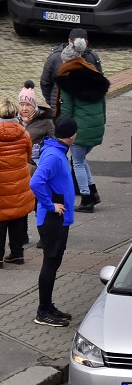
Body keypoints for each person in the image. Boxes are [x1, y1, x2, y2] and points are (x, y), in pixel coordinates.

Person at [29, 116, 78, 326]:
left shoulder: (57, 151)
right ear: (71, 135)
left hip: (58, 218)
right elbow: (36, 182)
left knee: (54, 262)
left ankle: (48, 306)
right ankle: (42, 311)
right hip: (52, 219)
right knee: (50, 263)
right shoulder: (54, 156)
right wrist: (50, 205)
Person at [55, 43, 110, 213]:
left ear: (66, 61)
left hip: (80, 129)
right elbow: (103, 105)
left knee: (77, 162)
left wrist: (62, 130)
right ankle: (93, 192)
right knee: (81, 159)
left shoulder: (67, 81)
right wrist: (102, 123)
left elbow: (66, 110)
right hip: (96, 127)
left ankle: (86, 199)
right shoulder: (95, 75)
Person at [0, 98, 36, 266]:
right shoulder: (24, 134)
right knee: (17, 216)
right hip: (20, 182)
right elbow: (28, 157)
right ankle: (17, 254)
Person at [41, 28, 102, 113]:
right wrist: (53, 103)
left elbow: (45, 83)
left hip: (71, 108)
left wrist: (53, 103)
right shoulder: (55, 58)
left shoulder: (92, 58)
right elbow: (45, 83)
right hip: (68, 108)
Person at [18, 81, 54, 167]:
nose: (24, 108)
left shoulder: (45, 120)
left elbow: (55, 141)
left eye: (28, 105)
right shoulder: (15, 119)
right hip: (17, 162)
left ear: (34, 106)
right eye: (22, 105)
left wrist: (41, 151)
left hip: (35, 164)